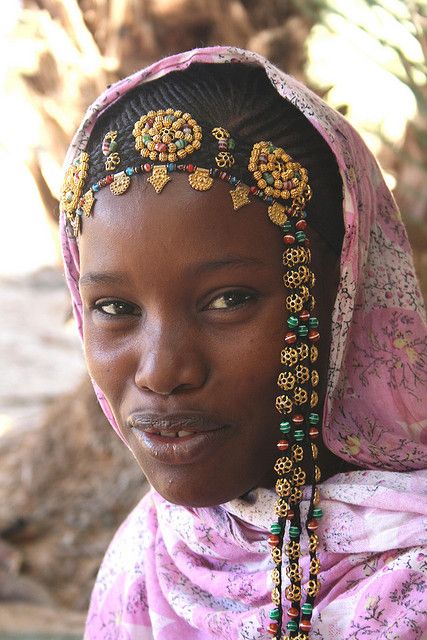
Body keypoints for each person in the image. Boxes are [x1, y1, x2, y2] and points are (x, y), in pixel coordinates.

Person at [59, 47, 427, 640]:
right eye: (115, 308)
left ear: (341, 299)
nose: (161, 371)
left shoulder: (408, 586)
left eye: (228, 300)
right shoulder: (151, 552)